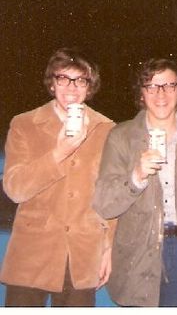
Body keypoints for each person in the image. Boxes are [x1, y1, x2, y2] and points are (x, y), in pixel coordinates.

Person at [92, 58, 177, 307]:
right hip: (137, 252)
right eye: (151, 86)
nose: (160, 93)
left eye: (169, 85)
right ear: (141, 93)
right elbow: (104, 204)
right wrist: (136, 176)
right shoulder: (121, 136)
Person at [0, 47, 116, 306]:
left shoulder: (106, 129)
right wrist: (59, 152)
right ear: (52, 83)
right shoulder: (24, 124)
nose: (72, 87)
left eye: (80, 80)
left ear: (90, 86)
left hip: (82, 255)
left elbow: (111, 194)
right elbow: (15, 188)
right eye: (63, 78)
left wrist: (109, 247)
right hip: (31, 255)